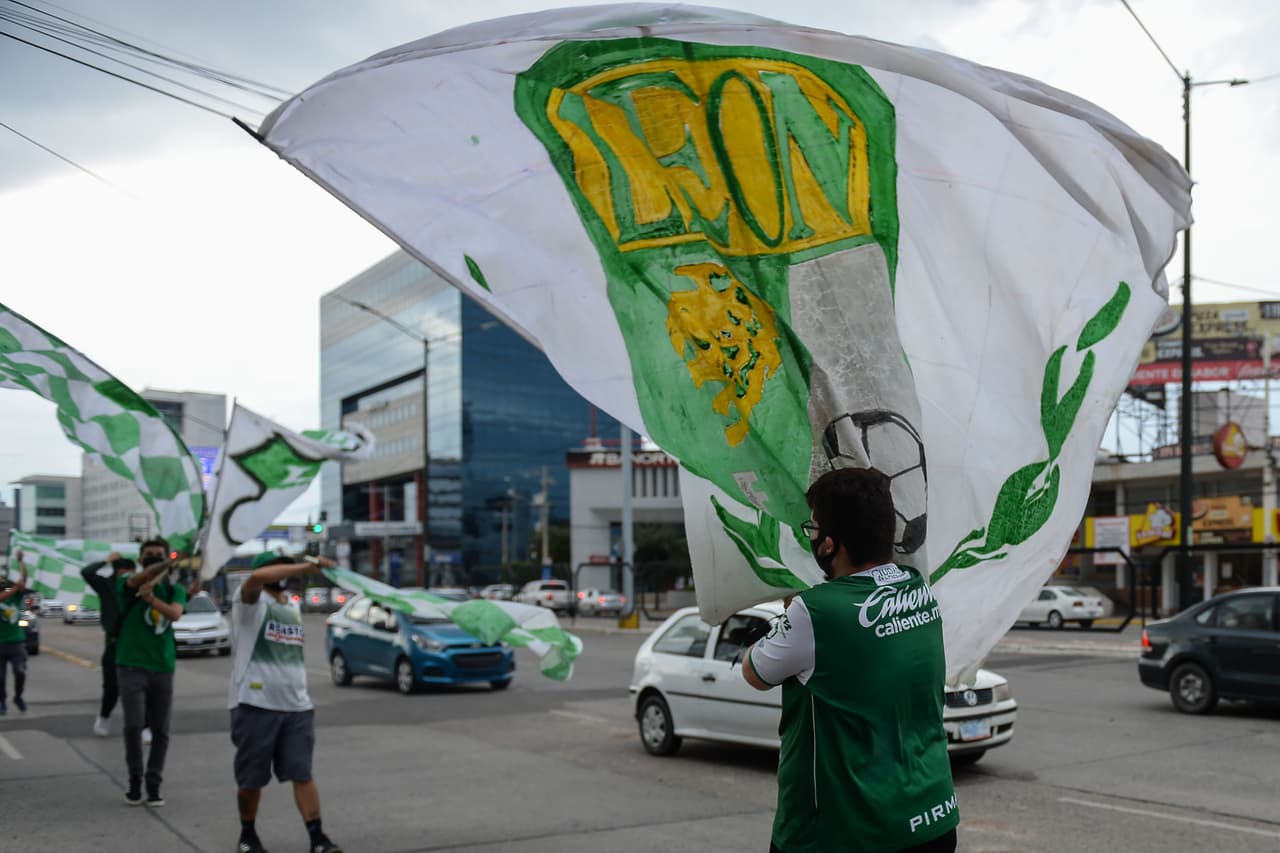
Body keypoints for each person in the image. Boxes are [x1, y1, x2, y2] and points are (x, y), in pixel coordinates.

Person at [743, 467, 958, 853]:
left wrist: (792, 616)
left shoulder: (816, 611)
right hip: (932, 819)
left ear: (829, 544)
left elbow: (754, 673)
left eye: (813, 529)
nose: (812, 537)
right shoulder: (920, 589)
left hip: (845, 833)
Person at [230, 551, 342, 853]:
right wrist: (305, 566)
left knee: (302, 773)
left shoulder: (291, 604)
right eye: (278, 568)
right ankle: (247, 836)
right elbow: (256, 578)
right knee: (251, 778)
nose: (285, 573)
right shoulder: (249, 602)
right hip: (255, 704)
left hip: (296, 706)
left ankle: (318, 839)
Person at [116, 537, 186, 807]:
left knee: (161, 730)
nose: (153, 558)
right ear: (140, 559)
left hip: (162, 667)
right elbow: (138, 580)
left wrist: (152, 600)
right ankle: (135, 780)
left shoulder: (174, 589)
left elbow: (175, 614)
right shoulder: (127, 582)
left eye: (159, 554)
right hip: (130, 665)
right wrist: (164, 565)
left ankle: (153, 784)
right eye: (149, 554)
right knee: (134, 725)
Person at [82, 552, 135, 736]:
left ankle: (144, 726)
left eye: (132, 572)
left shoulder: (137, 587)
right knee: (112, 688)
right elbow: (87, 572)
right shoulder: (106, 585)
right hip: (114, 644)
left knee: (140, 686)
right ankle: (104, 716)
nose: (129, 576)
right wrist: (106, 561)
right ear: (117, 572)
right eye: (125, 572)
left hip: (135, 644)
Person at [0, 552, 29, 715]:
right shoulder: (8, 595)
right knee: (0, 678)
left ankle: (18, 696)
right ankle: (2, 702)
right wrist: (15, 588)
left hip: (16, 643)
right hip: (0, 644)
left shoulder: (15, 598)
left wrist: (21, 561)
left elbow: (24, 579)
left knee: (20, 672)